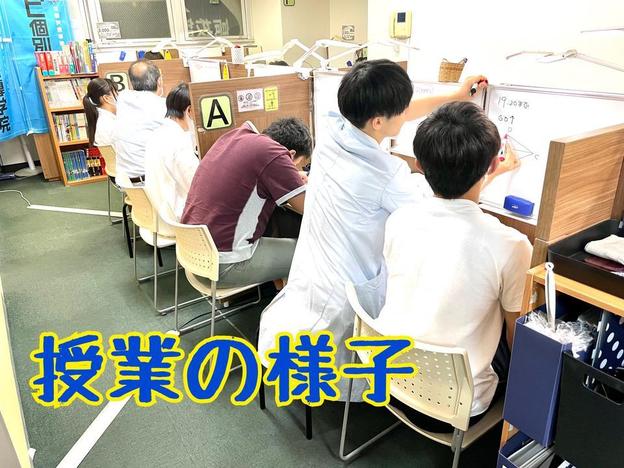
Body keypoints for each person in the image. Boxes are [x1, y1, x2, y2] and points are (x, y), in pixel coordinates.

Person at [257, 59, 490, 398]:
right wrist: (485, 175)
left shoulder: (332, 131)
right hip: (343, 295)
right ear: (379, 121)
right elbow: (442, 209)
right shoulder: (386, 174)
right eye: (401, 109)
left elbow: (398, 113)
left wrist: (455, 95)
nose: (406, 113)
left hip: (313, 275)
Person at [375, 101, 532, 431]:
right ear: (493, 164)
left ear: (418, 164)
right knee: (524, 334)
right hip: (454, 410)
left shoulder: (400, 219)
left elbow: (452, 210)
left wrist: (488, 173)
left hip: (389, 382)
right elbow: (517, 338)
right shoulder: (512, 245)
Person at [181, 118, 312, 288]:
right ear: (291, 154)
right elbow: (309, 209)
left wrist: (290, 178)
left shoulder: (235, 138)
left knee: (278, 228)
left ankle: (280, 293)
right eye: (293, 165)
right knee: (312, 253)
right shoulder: (274, 153)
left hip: (193, 255)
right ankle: (287, 302)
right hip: (223, 266)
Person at [144, 83, 199, 235]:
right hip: (177, 220)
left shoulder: (157, 134)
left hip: (157, 216)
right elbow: (196, 187)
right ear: (189, 111)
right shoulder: (179, 142)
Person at [114, 60, 166, 182]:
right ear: (159, 81)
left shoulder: (122, 99)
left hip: (126, 179)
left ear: (131, 84)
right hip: (151, 181)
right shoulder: (163, 106)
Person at [83, 78, 118, 147]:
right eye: (116, 92)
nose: (119, 95)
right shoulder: (106, 124)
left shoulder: (109, 119)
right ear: (106, 98)